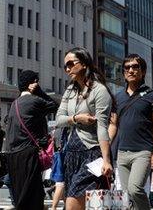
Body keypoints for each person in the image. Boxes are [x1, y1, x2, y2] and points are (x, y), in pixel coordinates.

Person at [56, 47, 113, 210]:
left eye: (70, 64)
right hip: (71, 153)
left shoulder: (100, 91)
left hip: (93, 154)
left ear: (84, 64)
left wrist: (106, 160)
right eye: (65, 66)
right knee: (78, 203)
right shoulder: (70, 90)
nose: (67, 69)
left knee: (72, 203)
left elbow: (103, 126)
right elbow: (59, 119)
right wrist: (76, 118)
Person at [115, 54, 153, 210]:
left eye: (135, 67)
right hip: (122, 152)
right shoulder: (117, 97)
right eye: (127, 67)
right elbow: (113, 125)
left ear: (143, 72)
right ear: (123, 72)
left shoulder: (152, 95)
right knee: (127, 195)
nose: (131, 70)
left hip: (143, 151)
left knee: (135, 189)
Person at [5, 70, 59, 210]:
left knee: (21, 195)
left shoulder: (14, 103)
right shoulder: (34, 101)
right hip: (28, 154)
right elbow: (54, 106)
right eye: (36, 81)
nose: (38, 84)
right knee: (33, 196)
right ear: (32, 84)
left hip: (13, 155)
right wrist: (40, 91)